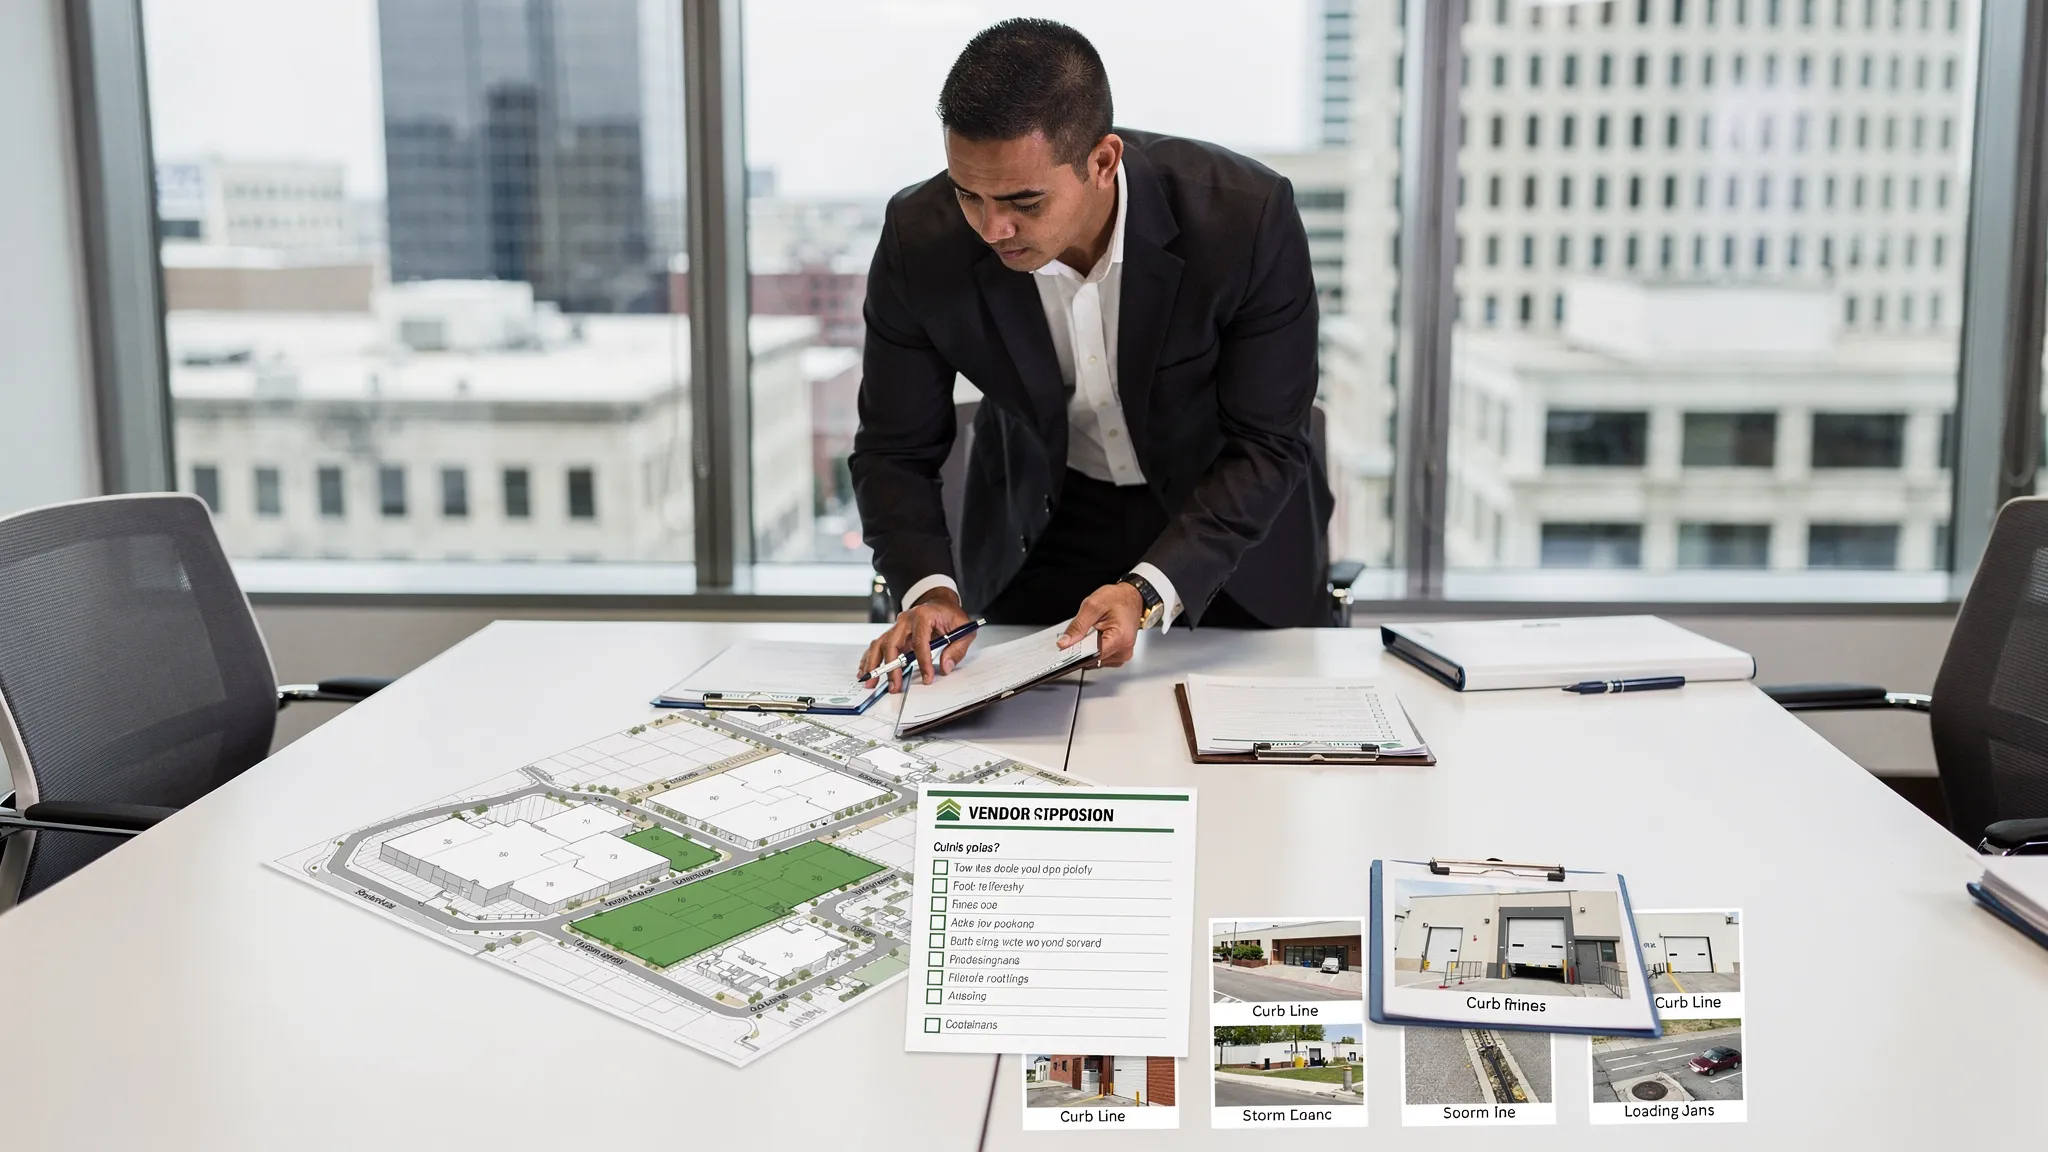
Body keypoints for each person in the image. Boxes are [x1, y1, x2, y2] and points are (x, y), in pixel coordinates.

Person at [853, 17, 1330, 691]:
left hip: (1229, 526)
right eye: (969, 193)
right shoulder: (918, 237)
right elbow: (893, 448)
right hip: (1041, 523)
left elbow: (1268, 444)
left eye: (1023, 201)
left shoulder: (1244, 218)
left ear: (1103, 161)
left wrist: (1148, 588)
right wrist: (928, 589)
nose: (992, 229)